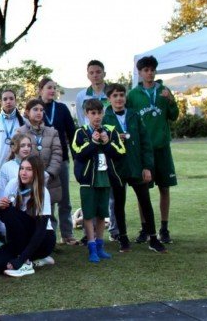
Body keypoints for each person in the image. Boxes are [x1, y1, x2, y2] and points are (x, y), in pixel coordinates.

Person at [104, 84, 166, 253]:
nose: (119, 98)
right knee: (118, 203)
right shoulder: (105, 118)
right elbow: (103, 144)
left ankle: (153, 238)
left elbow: (146, 142)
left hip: (136, 166)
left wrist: (147, 167)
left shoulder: (134, 115)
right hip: (117, 167)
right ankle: (123, 238)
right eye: (115, 95)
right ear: (109, 98)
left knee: (145, 201)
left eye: (121, 95)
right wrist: (115, 139)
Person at [127, 55, 179, 245]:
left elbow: (174, 116)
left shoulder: (164, 91)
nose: (149, 73)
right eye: (145, 70)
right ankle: (146, 229)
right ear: (140, 73)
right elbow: (129, 118)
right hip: (143, 151)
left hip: (162, 148)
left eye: (152, 70)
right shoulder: (133, 95)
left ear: (155, 71)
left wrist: (171, 101)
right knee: (143, 190)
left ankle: (164, 228)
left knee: (164, 188)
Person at [71, 99, 125, 263]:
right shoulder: (80, 132)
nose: (97, 117)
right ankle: (91, 246)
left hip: (105, 179)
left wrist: (107, 143)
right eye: (93, 113)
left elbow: (121, 152)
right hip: (88, 180)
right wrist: (93, 142)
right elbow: (78, 154)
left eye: (99, 113)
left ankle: (100, 247)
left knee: (102, 214)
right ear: (86, 114)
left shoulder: (111, 131)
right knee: (88, 214)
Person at [0, 155, 56, 276]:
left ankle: (27, 262)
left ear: (37, 172)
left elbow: (40, 231)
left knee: (11, 211)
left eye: (29, 169)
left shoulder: (42, 192)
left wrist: (21, 260)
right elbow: (5, 218)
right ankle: (32, 258)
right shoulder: (13, 184)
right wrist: (1, 208)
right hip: (20, 239)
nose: (23, 173)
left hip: (43, 240)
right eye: (21, 168)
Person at [37, 78, 79, 245]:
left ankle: (67, 234)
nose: (52, 91)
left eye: (54, 88)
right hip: (42, 162)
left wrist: (76, 158)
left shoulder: (61, 108)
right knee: (48, 200)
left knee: (64, 199)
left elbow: (72, 133)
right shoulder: (36, 108)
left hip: (61, 160)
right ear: (40, 90)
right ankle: (50, 234)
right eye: (49, 88)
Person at [16, 99, 63, 218]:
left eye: (41, 110)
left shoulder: (52, 132)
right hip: (29, 181)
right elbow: (17, 154)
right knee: (28, 214)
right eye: (35, 109)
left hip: (49, 180)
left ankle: (49, 235)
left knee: (49, 215)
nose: (39, 112)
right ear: (27, 112)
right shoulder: (20, 131)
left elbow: (57, 155)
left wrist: (49, 173)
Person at [75, 60, 109, 125]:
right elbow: (81, 119)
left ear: (104, 74)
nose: (95, 75)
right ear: (88, 76)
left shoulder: (113, 94)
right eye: (91, 73)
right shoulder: (81, 96)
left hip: (110, 133)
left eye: (98, 72)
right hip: (90, 134)